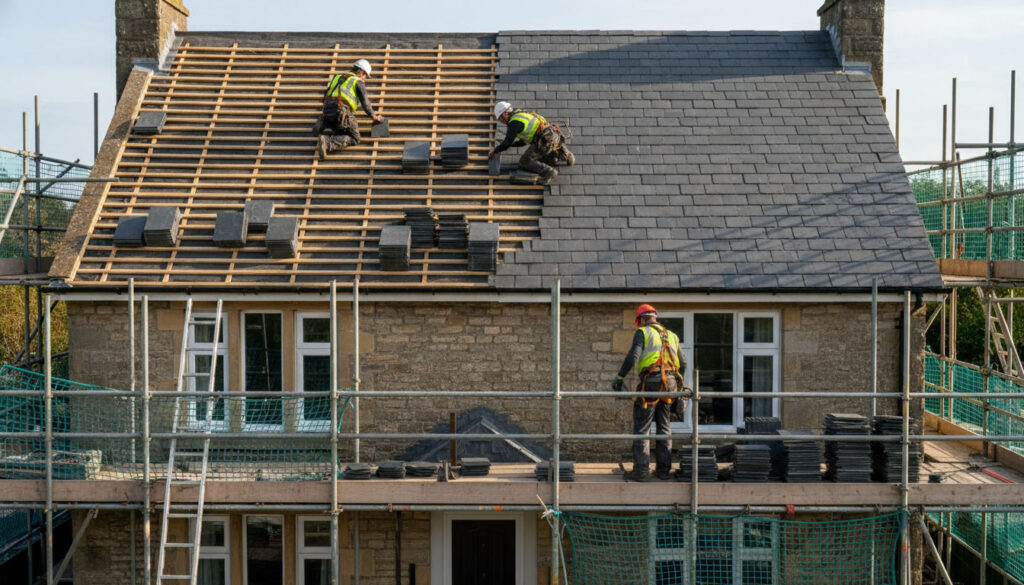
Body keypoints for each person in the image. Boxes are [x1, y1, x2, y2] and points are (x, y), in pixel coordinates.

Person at [612, 304, 686, 481]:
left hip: (651, 382)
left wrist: (620, 378)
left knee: (642, 427)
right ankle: (663, 471)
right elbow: (683, 364)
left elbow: (633, 356)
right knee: (664, 427)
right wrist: (679, 389)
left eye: (640, 322)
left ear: (643, 319)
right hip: (671, 385)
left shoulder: (643, 332)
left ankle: (641, 470)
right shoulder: (672, 336)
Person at [487, 101, 574, 185]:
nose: (501, 122)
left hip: (544, 141)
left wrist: (495, 151)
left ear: (504, 114)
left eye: (500, 119)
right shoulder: (521, 114)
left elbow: (507, 143)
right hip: (554, 136)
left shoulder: (513, 123)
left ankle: (549, 172)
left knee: (525, 162)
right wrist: (512, 144)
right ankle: (565, 155)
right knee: (543, 159)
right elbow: (524, 141)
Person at [313, 59, 382, 160]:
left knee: (340, 130)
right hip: (341, 111)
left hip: (327, 109)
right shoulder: (358, 82)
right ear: (361, 72)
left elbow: (326, 93)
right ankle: (327, 142)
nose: (365, 79)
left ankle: (324, 122)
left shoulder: (337, 77)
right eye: (365, 76)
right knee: (355, 138)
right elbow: (365, 103)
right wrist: (374, 117)